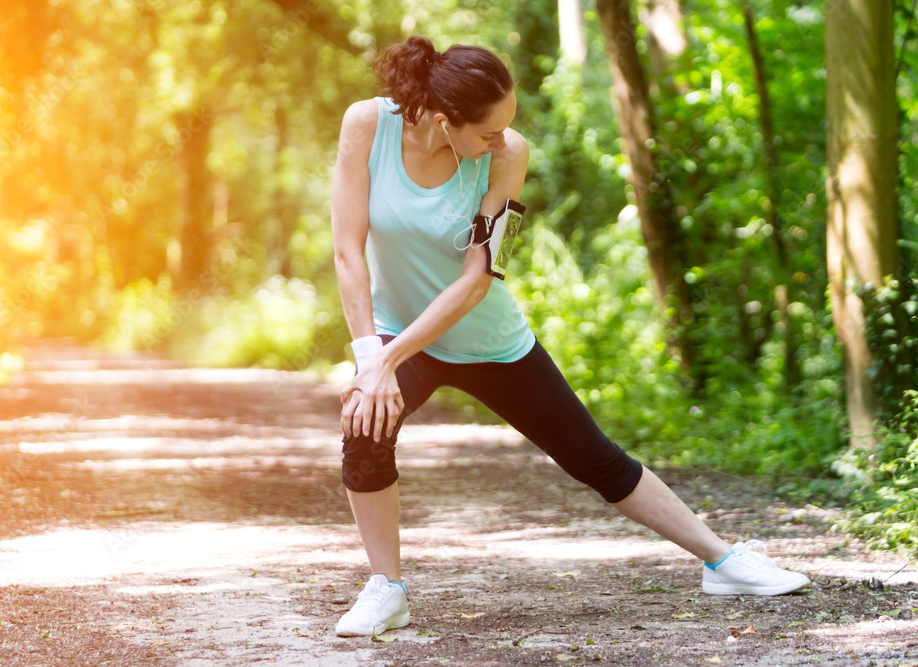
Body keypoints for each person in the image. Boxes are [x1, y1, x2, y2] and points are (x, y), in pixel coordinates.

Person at [329, 35, 810, 639]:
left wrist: (388, 358)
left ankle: (723, 559)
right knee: (363, 429)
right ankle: (387, 589)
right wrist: (371, 357)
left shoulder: (508, 156)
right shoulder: (368, 125)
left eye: (506, 128)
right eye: (487, 133)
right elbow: (347, 248)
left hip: (488, 340)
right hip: (397, 333)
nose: (501, 141)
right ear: (445, 121)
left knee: (594, 458)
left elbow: (480, 277)